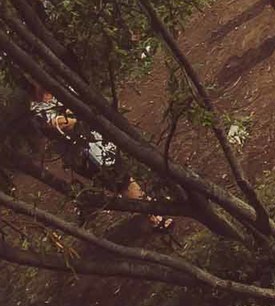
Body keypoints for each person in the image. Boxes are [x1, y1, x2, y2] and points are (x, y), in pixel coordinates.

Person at [28, 84, 170, 230]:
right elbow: (63, 124)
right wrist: (82, 116)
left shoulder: (61, 87)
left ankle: (149, 207)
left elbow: (84, 104)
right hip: (84, 156)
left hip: (98, 141)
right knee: (122, 181)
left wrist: (84, 114)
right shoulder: (37, 110)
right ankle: (153, 215)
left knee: (123, 178)